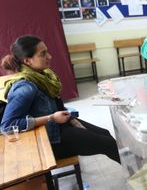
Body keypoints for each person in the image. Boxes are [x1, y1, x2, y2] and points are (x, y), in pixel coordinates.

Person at [0, 35, 120, 163]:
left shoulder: (43, 76)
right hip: (51, 141)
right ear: (28, 61)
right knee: (108, 144)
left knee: (106, 134)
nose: (49, 56)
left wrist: (73, 121)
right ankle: (138, 175)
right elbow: (7, 125)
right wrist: (50, 117)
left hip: (60, 126)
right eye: (43, 54)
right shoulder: (25, 87)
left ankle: (137, 172)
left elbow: (56, 106)